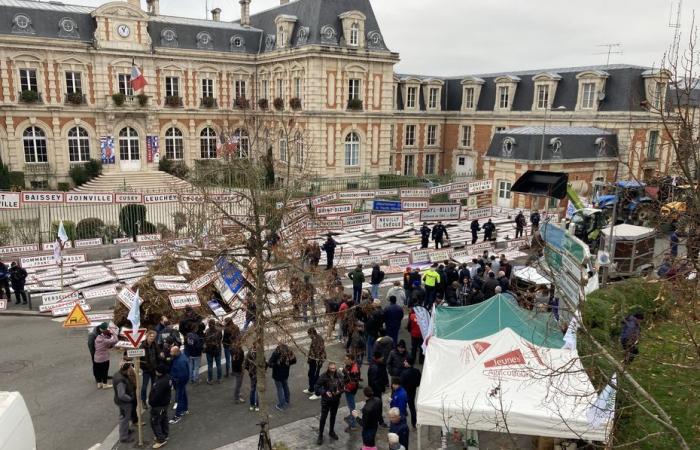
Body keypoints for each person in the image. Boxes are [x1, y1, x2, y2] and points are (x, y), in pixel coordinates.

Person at [315, 362, 343, 445]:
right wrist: (324, 392)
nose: (332, 370)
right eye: (331, 368)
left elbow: (343, 385)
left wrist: (340, 391)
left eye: (334, 368)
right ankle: (320, 435)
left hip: (336, 400)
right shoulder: (323, 376)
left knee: (333, 416)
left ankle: (331, 431)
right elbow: (316, 387)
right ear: (328, 368)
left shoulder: (339, 375)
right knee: (323, 417)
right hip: (326, 401)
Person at [268, 342, 297, 411]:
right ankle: (287, 400)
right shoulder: (289, 353)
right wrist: (287, 364)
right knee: (285, 386)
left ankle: (281, 405)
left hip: (277, 375)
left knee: (280, 389)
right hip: (285, 373)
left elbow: (270, 364)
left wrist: (275, 364)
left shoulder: (276, 353)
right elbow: (294, 361)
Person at [148, 364, 171, 449]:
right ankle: (164, 435)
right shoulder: (168, 377)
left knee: (155, 422)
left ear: (159, 372)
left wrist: (151, 402)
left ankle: (160, 439)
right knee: (164, 419)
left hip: (158, 405)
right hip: (165, 404)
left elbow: (156, 396)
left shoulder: (160, 383)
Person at [112, 362, 135, 444]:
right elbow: (121, 395)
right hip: (124, 403)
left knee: (125, 417)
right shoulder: (121, 380)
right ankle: (124, 437)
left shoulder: (118, 374)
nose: (131, 371)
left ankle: (126, 430)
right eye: (130, 369)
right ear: (126, 370)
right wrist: (130, 399)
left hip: (121, 401)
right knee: (124, 419)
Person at [367, 351, 389, 426]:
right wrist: (380, 389)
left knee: (377, 405)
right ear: (378, 358)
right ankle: (380, 421)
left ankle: (378, 419)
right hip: (375, 391)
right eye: (381, 357)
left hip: (377, 389)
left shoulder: (378, 364)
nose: (383, 357)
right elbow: (374, 381)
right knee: (377, 405)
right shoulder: (375, 367)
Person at [169, 346, 189, 423]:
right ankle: (185, 409)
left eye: (172, 352)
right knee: (183, 394)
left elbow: (182, 375)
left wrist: (175, 380)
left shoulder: (180, 361)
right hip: (181, 381)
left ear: (176, 352)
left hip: (179, 381)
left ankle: (178, 415)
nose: (170, 354)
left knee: (179, 397)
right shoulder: (181, 356)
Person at [399, 357, 421, 430]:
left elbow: (401, 384)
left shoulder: (404, 373)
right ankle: (414, 424)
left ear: (408, 363)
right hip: (412, 392)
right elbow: (418, 383)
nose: (404, 362)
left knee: (402, 408)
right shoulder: (417, 371)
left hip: (404, 393)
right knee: (412, 408)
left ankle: (402, 423)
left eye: (405, 361)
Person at [305, 327, 326, 400]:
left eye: (309, 334)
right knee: (310, 374)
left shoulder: (318, 340)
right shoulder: (315, 338)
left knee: (315, 376)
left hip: (317, 361)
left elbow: (318, 352)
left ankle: (318, 393)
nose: (309, 336)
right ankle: (311, 389)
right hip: (313, 360)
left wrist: (315, 359)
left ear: (311, 333)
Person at [140, 330, 159, 406]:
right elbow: (139, 359)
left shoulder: (155, 344)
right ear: (147, 336)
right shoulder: (142, 346)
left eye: (153, 337)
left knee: (154, 386)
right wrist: (144, 367)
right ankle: (143, 401)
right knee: (144, 387)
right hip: (147, 370)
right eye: (150, 336)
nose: (152, 338)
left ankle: (152, 399)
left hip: (154, 369)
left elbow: (158, 354)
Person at [342, 353, 361, 432]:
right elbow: (347, 373)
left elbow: (353, 383)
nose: (344, 360)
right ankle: (351, 417)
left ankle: (353, 425)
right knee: (350, 404)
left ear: (350, 360)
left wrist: (345, 388)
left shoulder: (354, 369)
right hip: (348, 389)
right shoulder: (350, 365)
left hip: (350, 390)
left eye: (346, 359)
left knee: (351, 407)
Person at [204, 319, 223, 384]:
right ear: (214, 323)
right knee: (218, 365)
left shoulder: (207, 331)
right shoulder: (219, 331)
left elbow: (205, 340)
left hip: (209, 350)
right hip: (217, 349)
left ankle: (210, 379)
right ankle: (219, 379)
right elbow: (220, 338)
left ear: (209, 324)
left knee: (210, 365)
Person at [88, 323, 105, 387]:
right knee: (96, 366)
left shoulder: (100, 332)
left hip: (101, 352)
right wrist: (94, 354)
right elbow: (91, 346)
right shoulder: (92, 335)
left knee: (103, 365)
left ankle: (103, 376)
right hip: (95, 353)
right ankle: (98, 379)